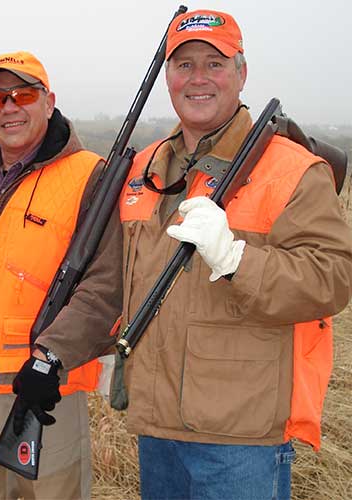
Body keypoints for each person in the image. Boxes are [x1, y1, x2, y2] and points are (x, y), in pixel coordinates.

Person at [117, 9, 352, 500]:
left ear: (242, 73)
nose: (197, 78)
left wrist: (236, 260)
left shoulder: (294, 168)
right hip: (156, 426)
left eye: (215, 63)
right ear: (167, 77)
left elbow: (332, 278)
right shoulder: (144, 167)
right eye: (183, 65)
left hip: (241, 436)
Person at [0, 51, 122, 499]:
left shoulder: (90, 176)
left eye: (23, 94)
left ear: (48, 100)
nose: (9, 107)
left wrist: (51, 359)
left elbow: (106, 286)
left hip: (43, 394)